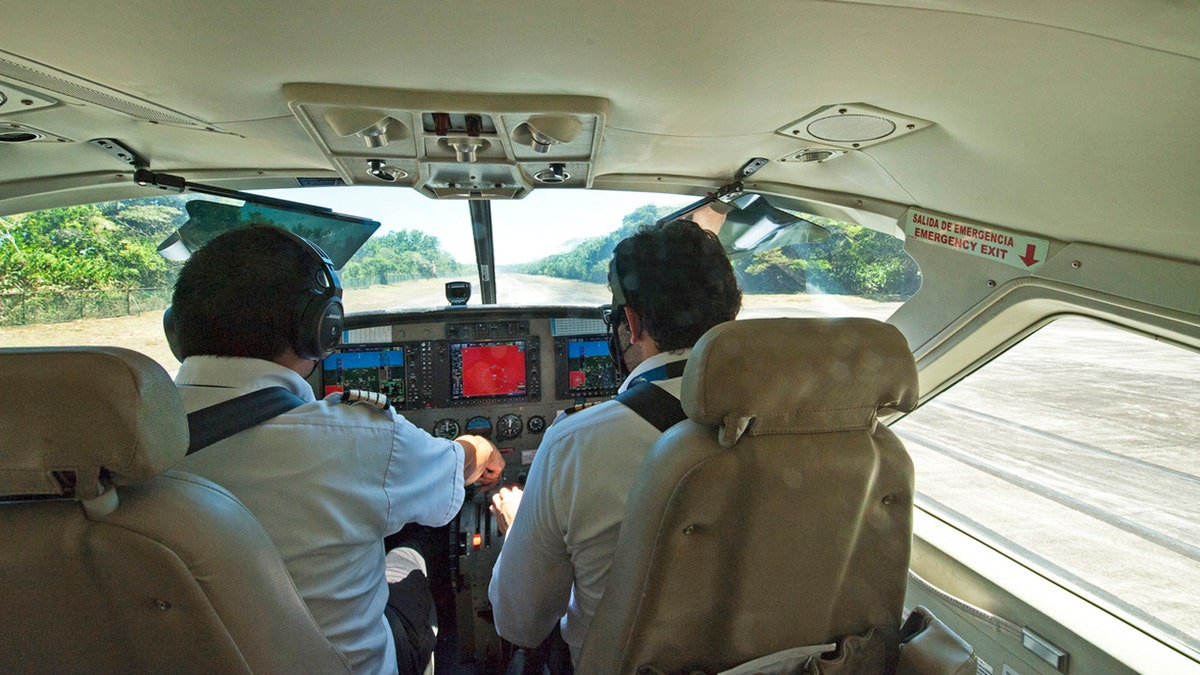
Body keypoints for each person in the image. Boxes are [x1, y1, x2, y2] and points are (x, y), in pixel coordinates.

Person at [168, 225, 504, 675]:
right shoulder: (362, 437)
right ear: (319, 329)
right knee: (419, 537)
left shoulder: (107, 449)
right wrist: (480, 446)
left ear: (175, 330)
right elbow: (452, 474)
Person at [487, 218, 742, 667]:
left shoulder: (575, 443)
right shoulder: (804, 426)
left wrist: (516, 525)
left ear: (632, 322)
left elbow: (520, 623)